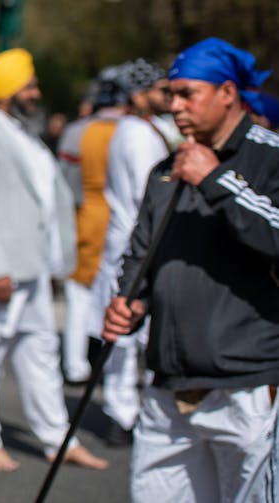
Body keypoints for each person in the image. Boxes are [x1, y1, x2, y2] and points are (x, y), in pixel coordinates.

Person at [102, 37, 279, 502]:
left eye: (187, 94)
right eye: (170, 94)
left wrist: (217, 180)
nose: (174, 106)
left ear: (227, 93)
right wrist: (130, 301)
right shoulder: (167, 169)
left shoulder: (269, 157)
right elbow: (142, 253)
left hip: (247, 384)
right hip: (168, 384)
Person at [0, 48, 108, 472]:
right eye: (30, 86)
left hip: (34, 267)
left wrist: (58, 262)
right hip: (5, 270)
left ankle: (58, 438)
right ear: (7, 93)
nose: (36, 93)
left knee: (40, 352)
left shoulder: (22, 133)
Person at [91, 58, 174, 446]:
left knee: (130, 336)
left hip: (133, 242)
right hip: (133, 246)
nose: (169, 96)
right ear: (140, 96)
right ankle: (121, 415)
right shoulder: (137, 135)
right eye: (162, 89)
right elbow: (150, 196)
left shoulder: (140, 129)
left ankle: (125, 409)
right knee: (126, 335)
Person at [57, 65, 130, 385]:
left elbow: (65, 187)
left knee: (79, 297)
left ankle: (75, 364)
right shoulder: (137, 131)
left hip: (86, 218)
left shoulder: (78, 132)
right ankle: (112, 368)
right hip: (125, 224)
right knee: (120, 297)